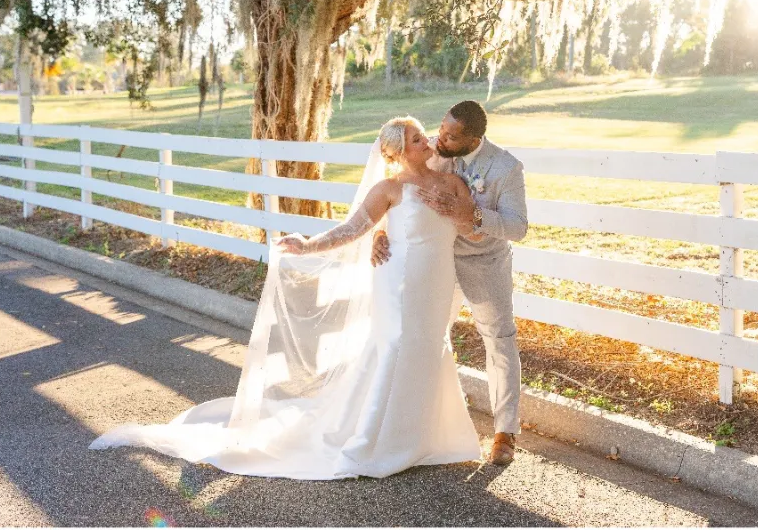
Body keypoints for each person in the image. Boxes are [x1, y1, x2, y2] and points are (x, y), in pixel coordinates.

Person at [89, 116, 483, 479]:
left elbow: (471, 227)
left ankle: (428, 438)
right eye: (417, 138)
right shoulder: (389, 189)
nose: (427, 139)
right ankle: (376, 442)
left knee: (430, 344)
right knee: (397, 344)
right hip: (397, 282)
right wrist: (309, 245)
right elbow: (352, 229)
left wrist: (460, 217)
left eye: (422, 134)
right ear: (397, 153)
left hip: (437, 280)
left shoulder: (452, 181)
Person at [371, 100, 528, 465]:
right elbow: (396, 189)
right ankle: (420, 424)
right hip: (433, 262)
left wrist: (473, 215)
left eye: (451, 136)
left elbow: (518, 226)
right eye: (441, 128)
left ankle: (505, 431)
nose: (439, 138)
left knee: (499, 338)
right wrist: (379, 232)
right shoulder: (430, 149)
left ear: (473, 140)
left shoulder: (505, 168)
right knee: (424, 336)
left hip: (483, 262)